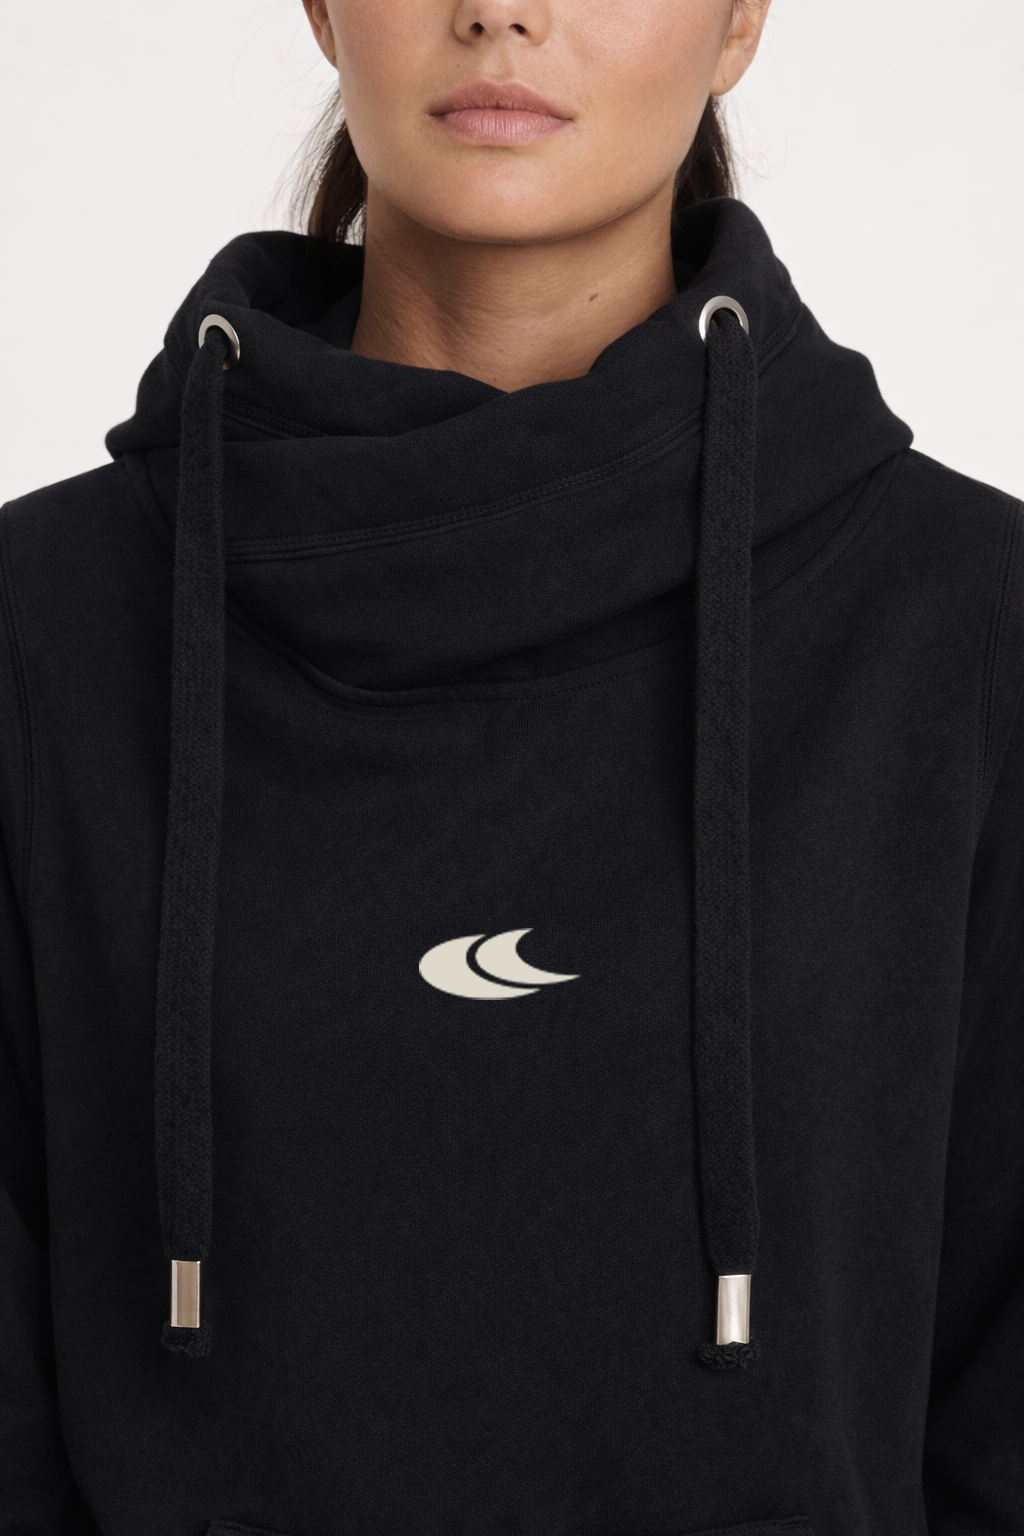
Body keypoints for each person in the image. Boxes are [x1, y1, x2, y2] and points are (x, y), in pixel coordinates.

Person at [0, 0, 1020, 1530]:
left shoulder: (971, 623)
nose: (501, 9)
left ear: (739, 21)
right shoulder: (42, 626)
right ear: (323, 7)